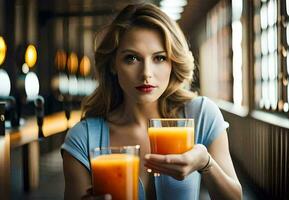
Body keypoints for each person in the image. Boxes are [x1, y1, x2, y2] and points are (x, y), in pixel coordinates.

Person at [61, 3, 242, 200]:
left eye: (159, 58)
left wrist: (206, 163)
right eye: (131, 58)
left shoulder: (201, 115)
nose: (146, 73)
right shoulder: (83, 138)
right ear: (113, 65)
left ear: (173, 62)